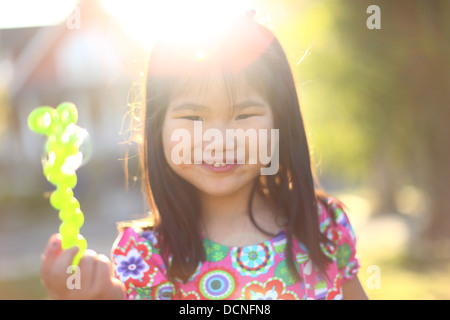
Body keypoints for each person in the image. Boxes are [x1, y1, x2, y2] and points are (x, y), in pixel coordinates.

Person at [41, 12, 367, 300]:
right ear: (158, 129)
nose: (219, 140)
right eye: (193, 118)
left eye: (243, 115)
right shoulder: (145, 256)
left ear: (280, 122)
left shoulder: (323, 224)